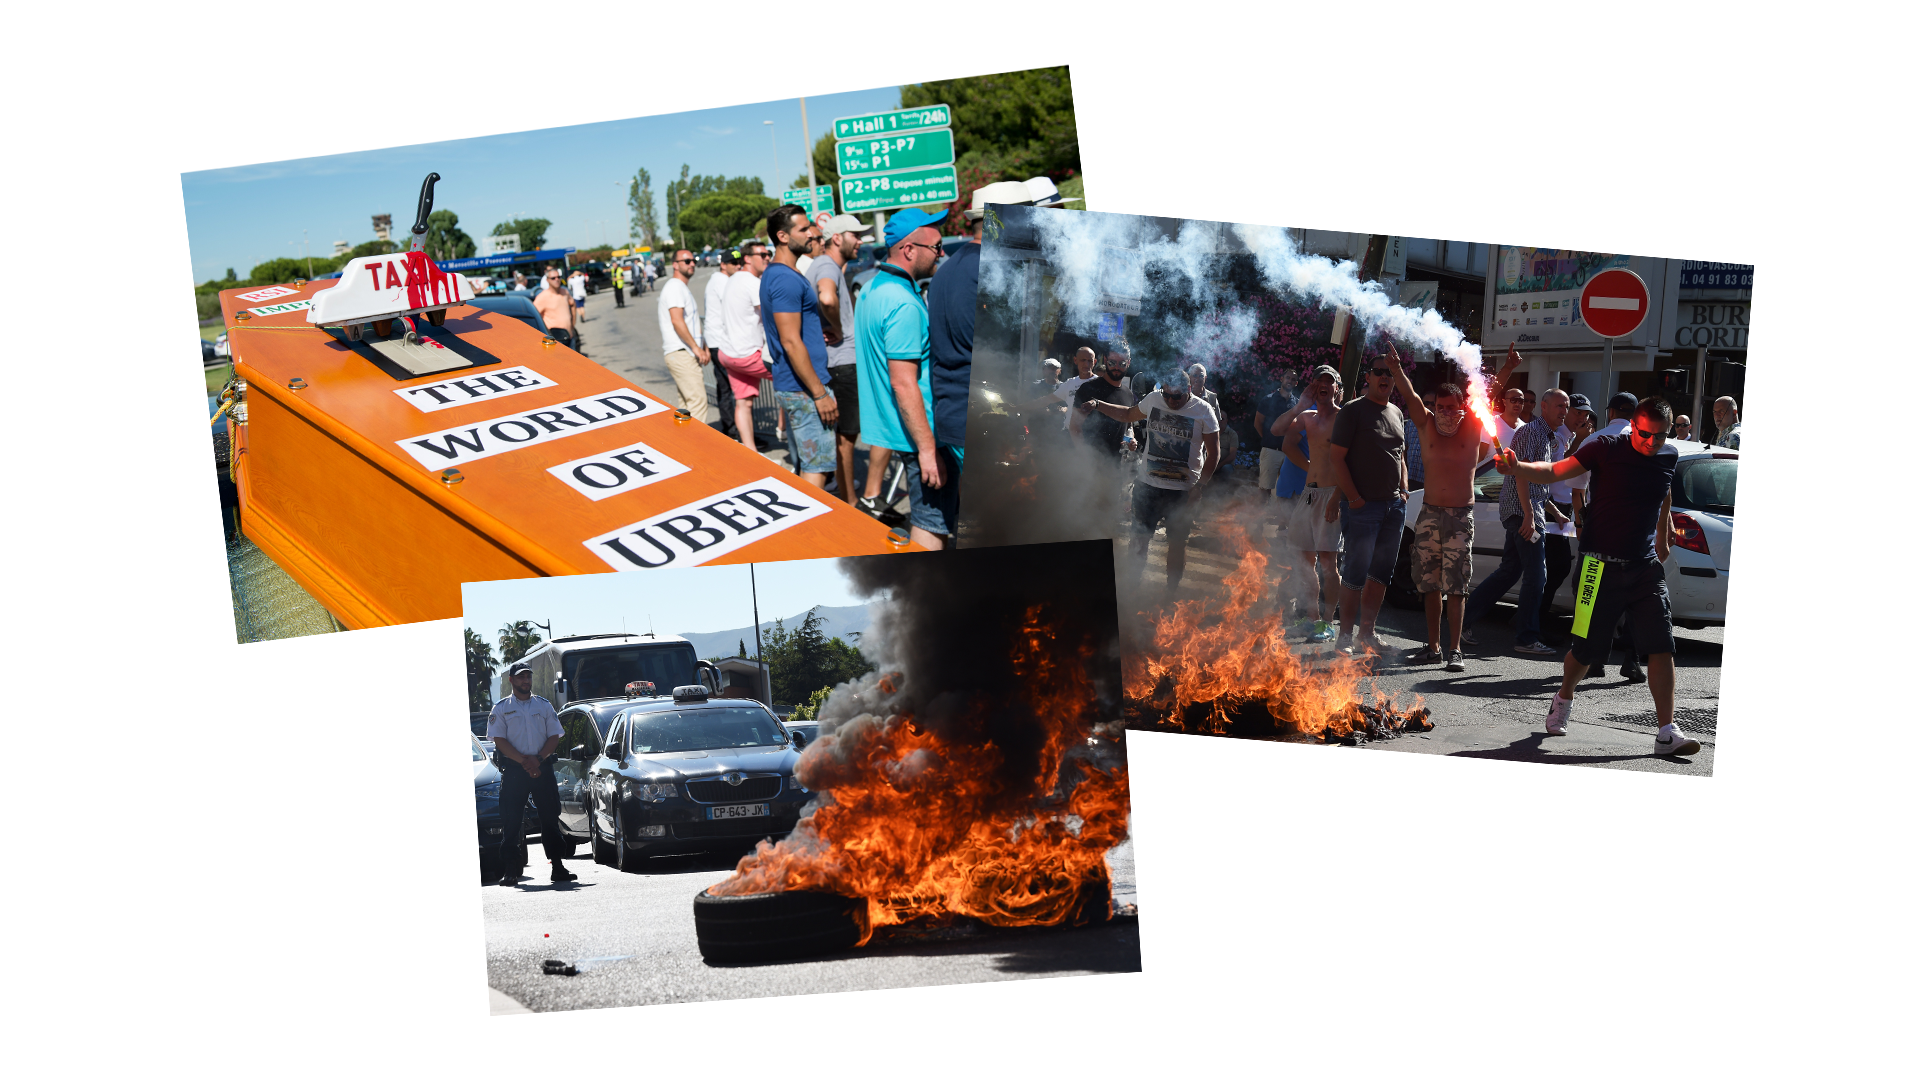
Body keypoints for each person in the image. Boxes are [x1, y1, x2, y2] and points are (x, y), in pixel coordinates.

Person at [1491, 398, 1696, 756]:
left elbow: (1664, 494)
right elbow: (1556, 472)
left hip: (1644, 567)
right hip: (1597, 566)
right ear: (1633, 425)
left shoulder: (1668, 456)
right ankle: (1564, 696)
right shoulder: (1604, 447)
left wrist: (1663, 535)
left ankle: (1666, 731)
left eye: (1660, 436)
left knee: (1662, 645)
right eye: (1645, 435)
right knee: (1586, 649)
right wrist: (1518, 467)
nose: (1652, 443)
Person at [1382, 344, 1487, 670]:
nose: (1444, 412)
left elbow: (1484, 395)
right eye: (1439, 406)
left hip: (1459, 516)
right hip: (1428, 513)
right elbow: (1411, 396)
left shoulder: (1470, 429)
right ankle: (1433, 646)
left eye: (1450, 407)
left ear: (1461, 408)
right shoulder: (1425, 426)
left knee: (1456, 586)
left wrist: (1508, 367)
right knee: (1428, 583)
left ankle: (1454, 650)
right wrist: (1397, 370)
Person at [855, 207, 952, 549]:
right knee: (931, 524)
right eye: (936, 247)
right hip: (920, 434)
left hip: (894, 429)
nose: (941, 254)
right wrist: (928, 450)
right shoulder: (903, 304)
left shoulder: (870, 290)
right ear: (909, 250)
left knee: (930, 518)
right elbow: (903, 382)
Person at [1084, 367, 1219, 592]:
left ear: (1187, 390)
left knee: (1176, 545)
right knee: (1138, 540)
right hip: (1147, 486)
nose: (1171, 401)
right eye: (1167, 395)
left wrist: (1200, 487)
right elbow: (1127, 414)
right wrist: (1098, 404)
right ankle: (1132, 590)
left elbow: (1214, 454)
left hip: (1182, 492)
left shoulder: (1203, 410)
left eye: (1176, 396)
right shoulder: (1154, 399)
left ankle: (1170, 592)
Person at [1460, 382, 1570, 657]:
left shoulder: (1545, 436)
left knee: (1509, 571)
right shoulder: (1531, 433)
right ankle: (1527, 637)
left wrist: (1554, 512)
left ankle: (1461, 620)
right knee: (1536, 576)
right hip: (1522, 512)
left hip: (1524, 509)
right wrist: (1530, 514)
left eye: (1566, 406)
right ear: (1543, 407)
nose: (1564, 411)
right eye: (1560, 405)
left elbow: (1537, 480)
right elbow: (1520, 474)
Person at [1326, 354, 1410, 657]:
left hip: (1393, 507)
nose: (1385, 377)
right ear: (1368, 377)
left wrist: (1404, 488)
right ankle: (1344, 636)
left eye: (1389, 373)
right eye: (1379, 372)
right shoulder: (1352, 411)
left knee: (1381, 573)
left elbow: (1400, 454)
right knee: (1355, 571)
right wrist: (1354, 498)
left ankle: (1367, 634)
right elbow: (1336, 458)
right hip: (1362, 507)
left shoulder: (1396, 412)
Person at [759, 204, 838, 490]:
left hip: (800, 386)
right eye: (803, 229)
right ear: (782, 236)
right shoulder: (783, 278)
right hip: (803, 389)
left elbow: (795, 330)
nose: (812, 233)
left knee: (813, 465)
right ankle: (809, 532)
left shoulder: (782, 273)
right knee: (815, 471)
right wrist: (819, 394)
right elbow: (791, 341)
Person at [487, 663, 577, 885]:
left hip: (542, 767)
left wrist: (538, 760)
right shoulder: (501, 708)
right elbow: (499, 741)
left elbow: (555, 736)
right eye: (521, 677)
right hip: (515, 771)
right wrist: (525, 762)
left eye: (528, 677)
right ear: (511, 680)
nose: (526, 681)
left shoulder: (543, 706)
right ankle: (510, 869)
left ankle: (557, 865)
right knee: (511, 821)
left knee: (549, 817)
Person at [808, 214, 875, 507]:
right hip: (843, 363)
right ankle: (850, 503)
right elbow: (826, 298)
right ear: (837, 238)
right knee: (846, 439)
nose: (860, 241)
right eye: (855, 235)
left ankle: (845, 497)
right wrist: (836, 328)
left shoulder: (828, 265)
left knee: (841, 437)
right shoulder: (825, 265)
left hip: (838, 362)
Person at [1279, 365, 1344, 642]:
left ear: (1337, 389)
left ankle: (1328, 623)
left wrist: (1338, 498)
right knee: (1304, 561)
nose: (1323, 385)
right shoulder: (1306, 416)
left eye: (1329, 382)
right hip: (1309, 492)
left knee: (1328, 563)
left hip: (1332, 494)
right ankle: (1311, 618)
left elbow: (1351, 462)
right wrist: (1300, 406)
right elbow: (1280, 435)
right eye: (1319, 381)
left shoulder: (1344, 418)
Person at [717, 241, 773, 451]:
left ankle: (751, 453)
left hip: (729, 353)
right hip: (746, 354)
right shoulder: (752, 283)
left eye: (768, 254)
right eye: (762, 254)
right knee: (791, 378)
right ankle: (784, 431)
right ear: (747, 258)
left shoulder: (733, 279)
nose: (767, 258)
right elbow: (771, 317)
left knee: (743, 402)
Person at [656, 249, 711, 423]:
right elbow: (677, 321)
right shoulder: (674, 287)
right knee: (698, 402)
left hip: (683, 352)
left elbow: (692, 322)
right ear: (675, 265)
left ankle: (681, 446)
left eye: (693, 260)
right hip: (681, 352)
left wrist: (704, 347)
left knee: (686, 406)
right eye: (686, 261)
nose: (692, 263)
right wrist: (696, 348)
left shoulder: (680, 287)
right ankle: (696, 447)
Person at [1070, 346, 1134, 456]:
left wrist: (1131, 439)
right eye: (1112, 363)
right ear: (1105, 360)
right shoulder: (1088, 388)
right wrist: (1083, 454)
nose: (1117, 367)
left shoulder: (1128, 394)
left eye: (1122, 364)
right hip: (1092, 462)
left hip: (1116, 463)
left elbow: (1129, 425)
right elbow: (1074, 427)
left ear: (1128, 362)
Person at [705, 248, 741, 439]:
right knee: (733, 387)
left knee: (724, 386)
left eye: (739, 262)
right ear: (723, 265)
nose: (738, 265)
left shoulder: (719, 280)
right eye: (733, 263)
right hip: (720, 342)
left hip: (715, 340)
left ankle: (730, 428)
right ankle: (736, 429)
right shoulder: (722, 281)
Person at [1253, 370, 1299, 501]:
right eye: (1288, 378)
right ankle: (1259, 520)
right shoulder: (1268, 400)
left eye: (1293, 379)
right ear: (1281, 379)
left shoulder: (1297, 404)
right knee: (1265, 488)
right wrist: (1268, 439)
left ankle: (1280, 519)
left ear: (1296, 383)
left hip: (1290, 453)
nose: (1290, 381)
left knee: (1287, 490)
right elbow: (1257, 423)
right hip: (1270, 450)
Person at [531, 266, 576, 347]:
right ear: (547, 280)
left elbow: (572, 304)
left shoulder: (565, 292)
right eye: (553, 278)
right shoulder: (542, 297)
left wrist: (573, 325)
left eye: (558, 277)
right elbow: (533, 315)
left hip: (569, 337)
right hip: (555, 339)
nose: (557, 279)